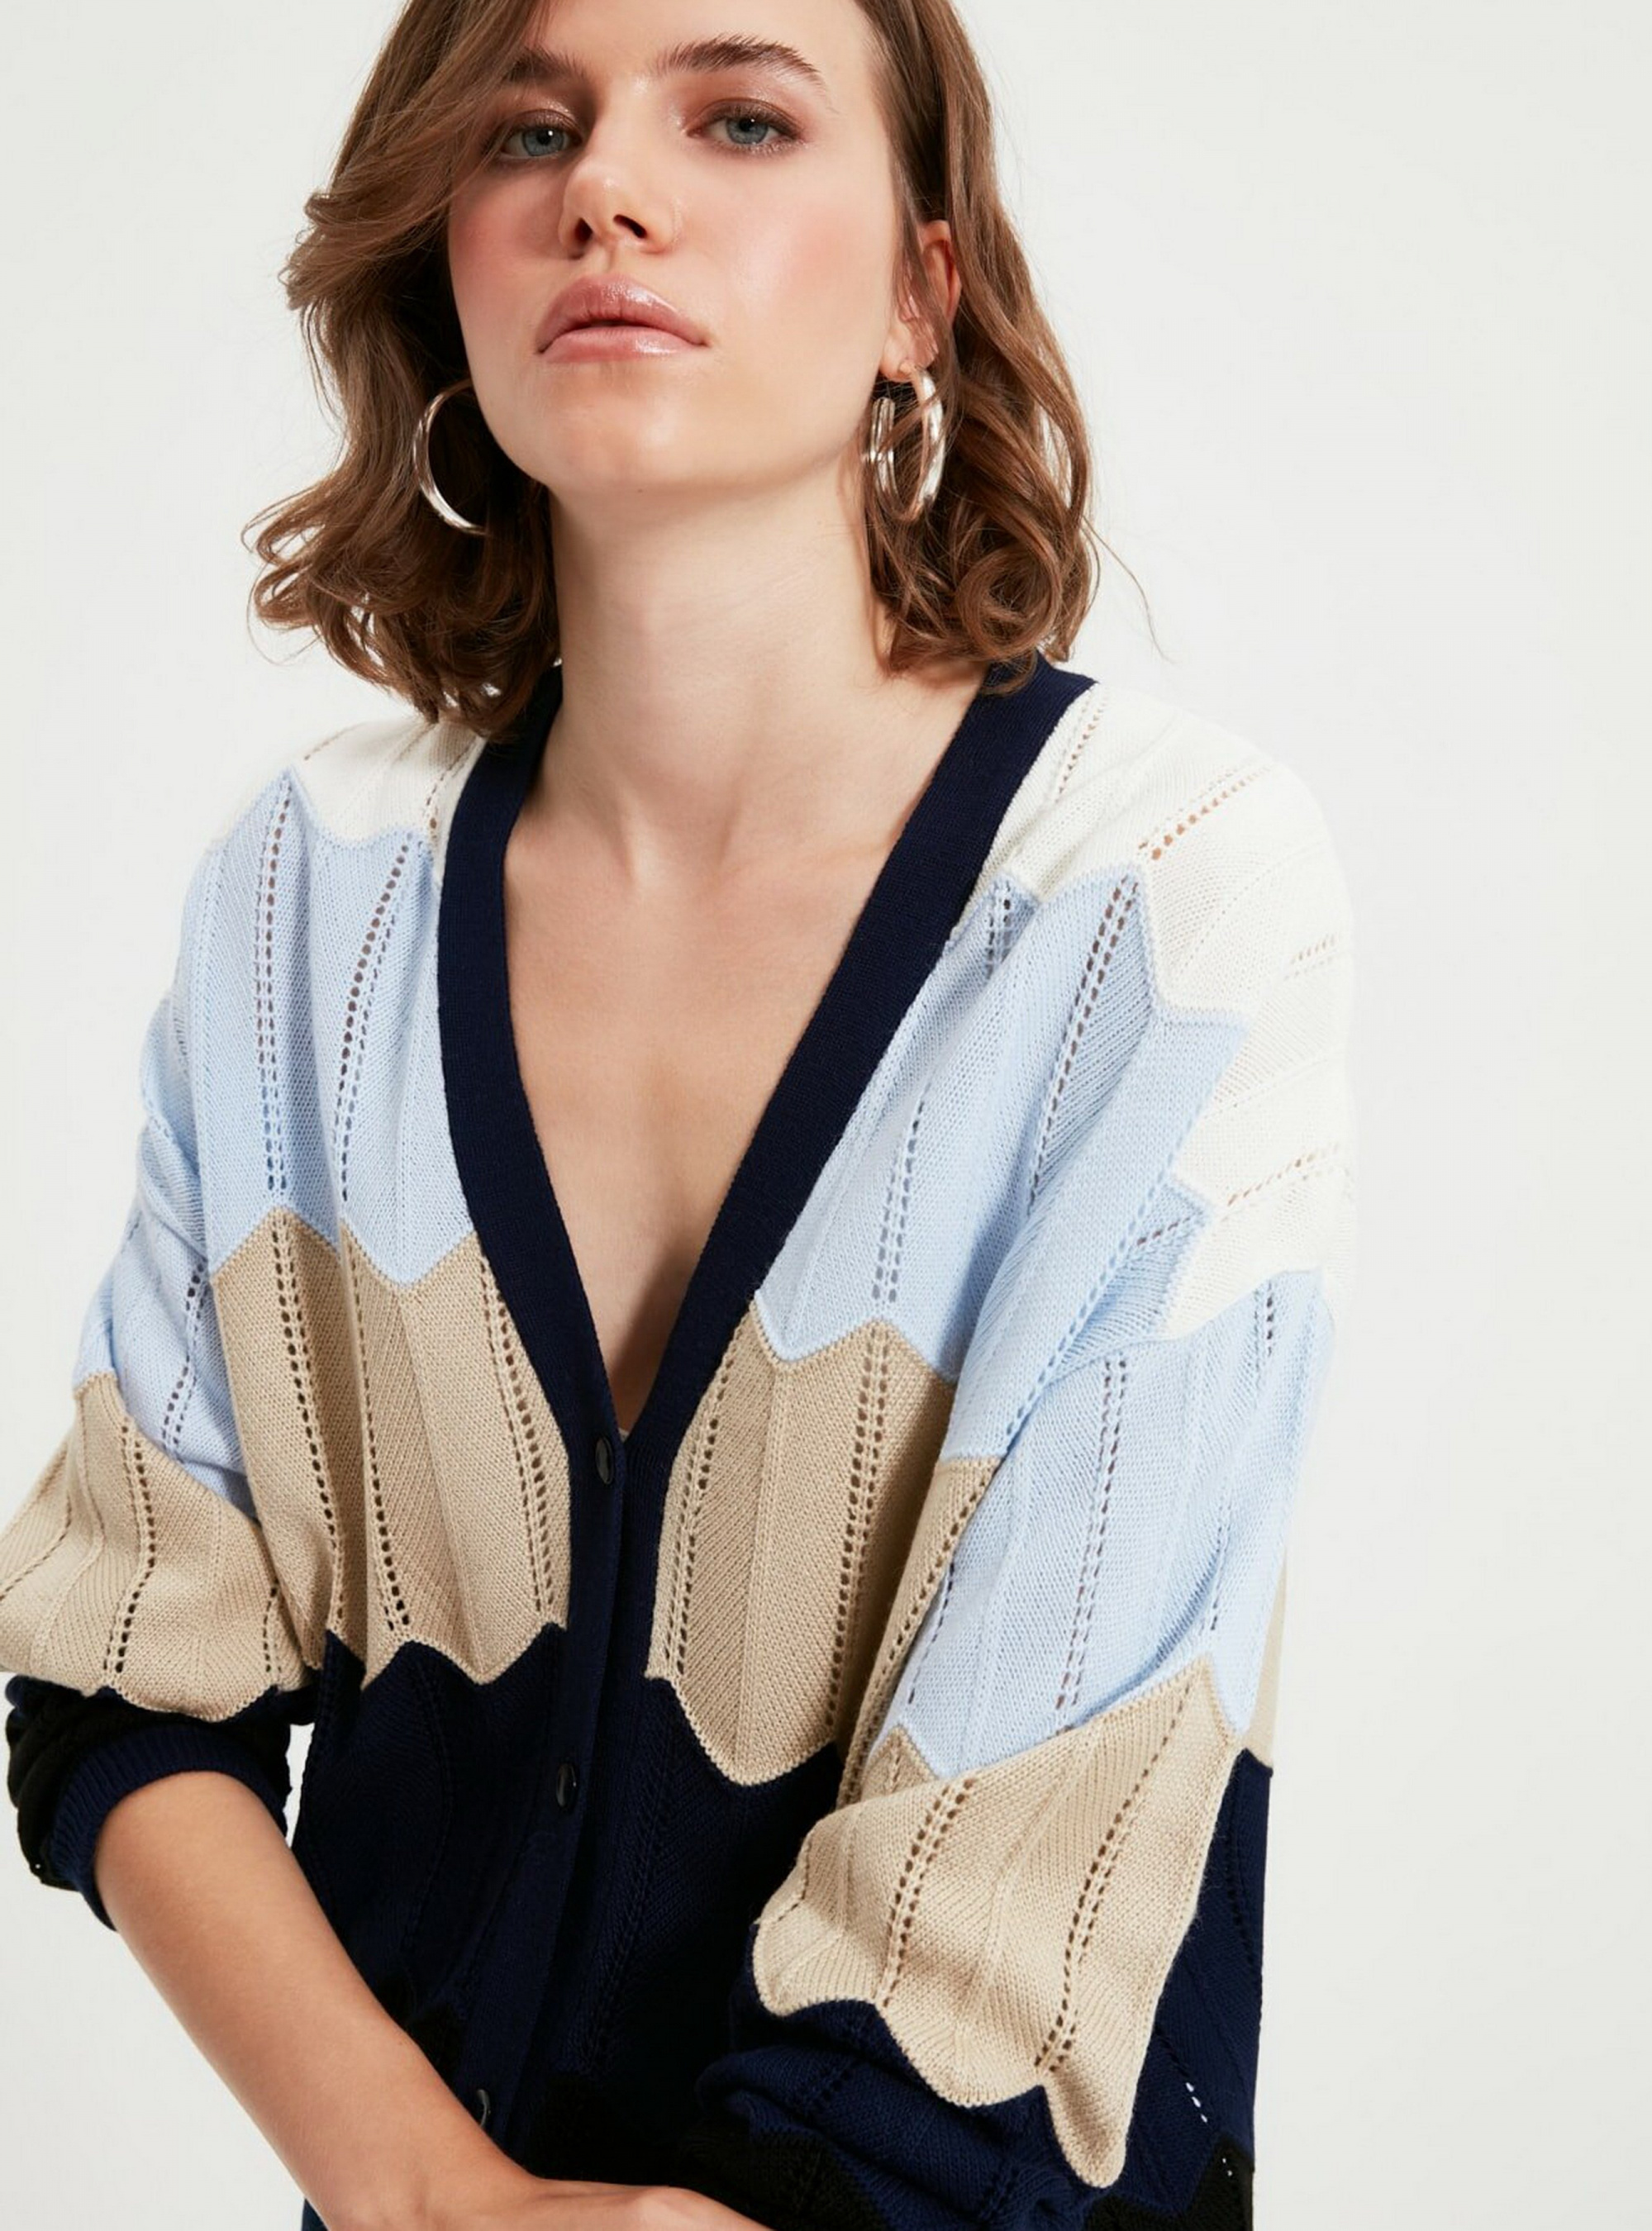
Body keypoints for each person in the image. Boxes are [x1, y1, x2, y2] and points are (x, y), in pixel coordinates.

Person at [0, 1, 1358, 2226]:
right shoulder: (312, 898)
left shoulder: (1151, 902)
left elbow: (1041, 1830)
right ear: (444, 254)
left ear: (921, 288)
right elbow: (126, 1668)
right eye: (528, 128)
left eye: (737, 117)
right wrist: (443, 2201)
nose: (608, 193)